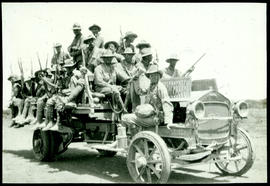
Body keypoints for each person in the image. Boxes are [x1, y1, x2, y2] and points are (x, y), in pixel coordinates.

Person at [107, 64, 174, 148]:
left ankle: (135, 143)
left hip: (156, 118)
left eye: (155, 75)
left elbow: (166, 103)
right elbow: (141, 91)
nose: (153, 77)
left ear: (159, 76)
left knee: (125, 118)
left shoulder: (160, 87)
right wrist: (136, 79)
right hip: (150, 116)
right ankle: (130, 141)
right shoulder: (151, 86)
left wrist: (168, 121)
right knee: (129, 118)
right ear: (149, 76)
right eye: (151, 75)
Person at [114, 48, 138, 112]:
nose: (130, 57)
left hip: (134, 85)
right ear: (125, 56)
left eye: (131, 55)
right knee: (129, 93)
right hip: (124, 86)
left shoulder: (134, 66)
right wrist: (131, 79)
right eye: (128, 55)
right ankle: (127, 111)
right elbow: (123, 78)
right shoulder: (119, 65)